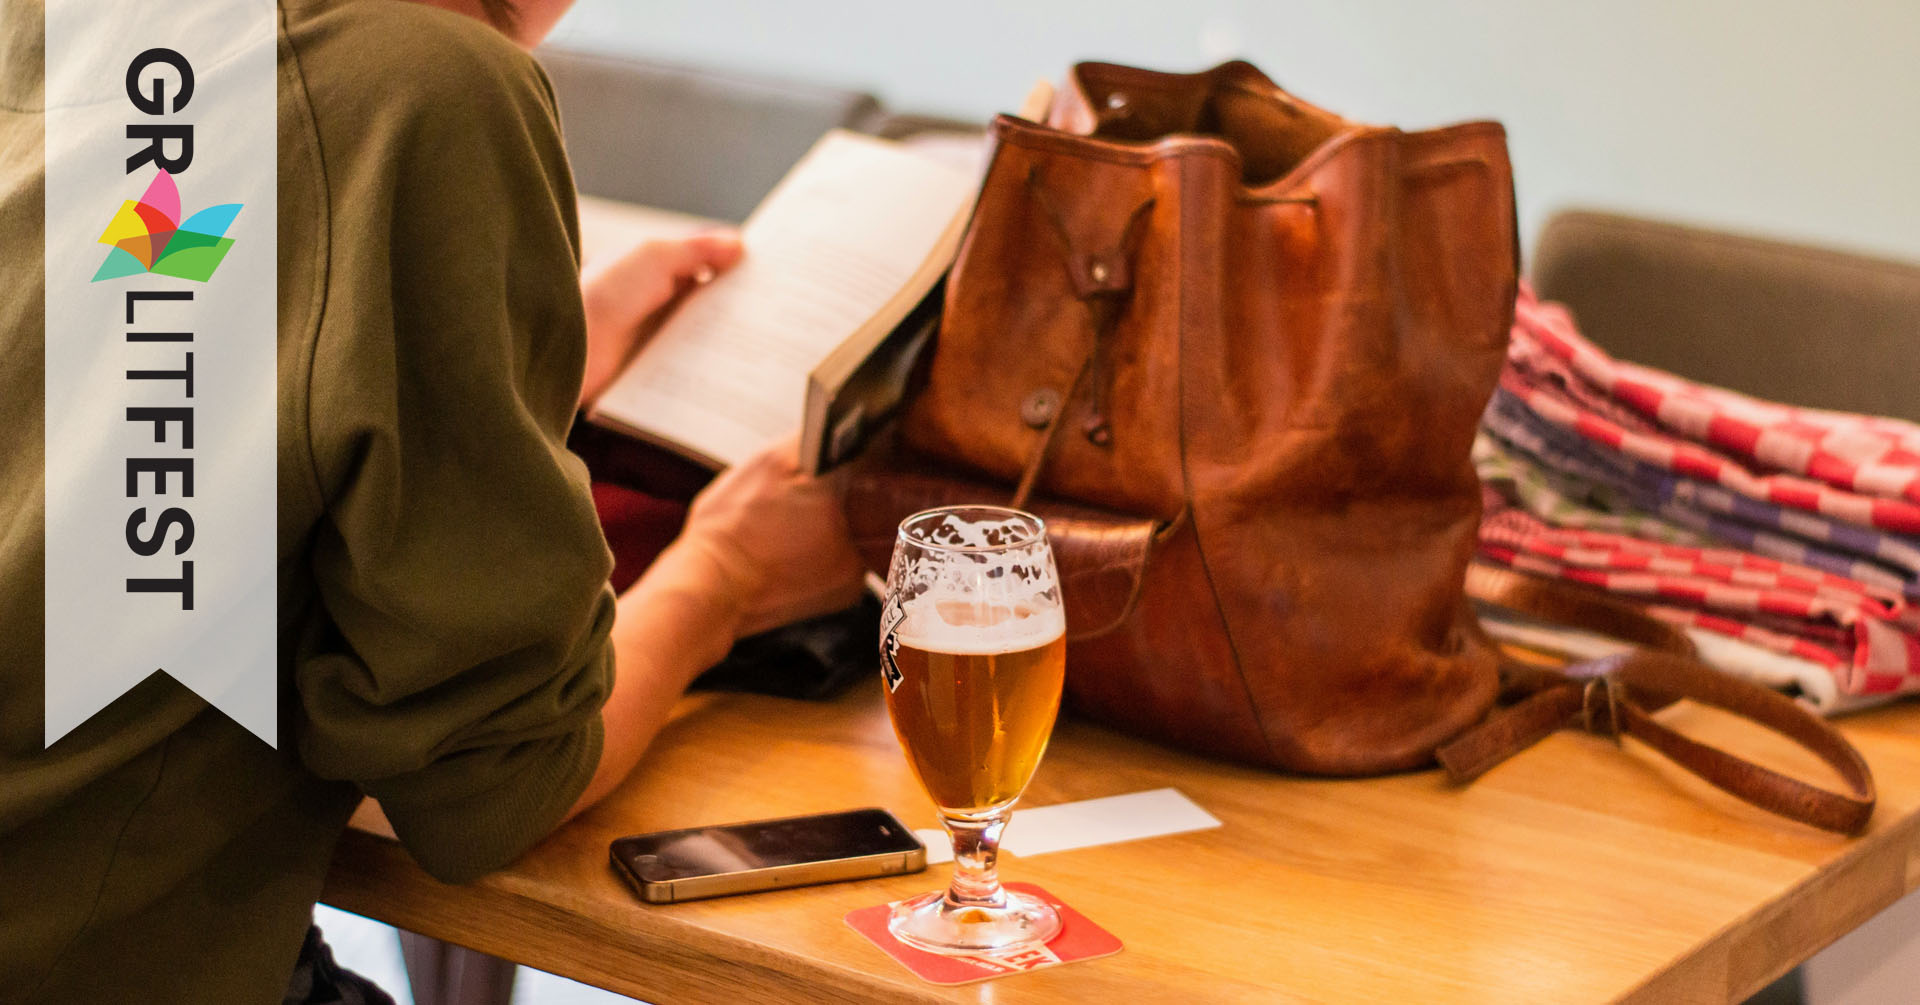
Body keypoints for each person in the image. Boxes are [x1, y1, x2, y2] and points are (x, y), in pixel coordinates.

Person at [0, 0, 866, 1001]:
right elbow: (492, 787)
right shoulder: (431, 79)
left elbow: (136, 367)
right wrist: (728, 573)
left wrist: (483, 359)